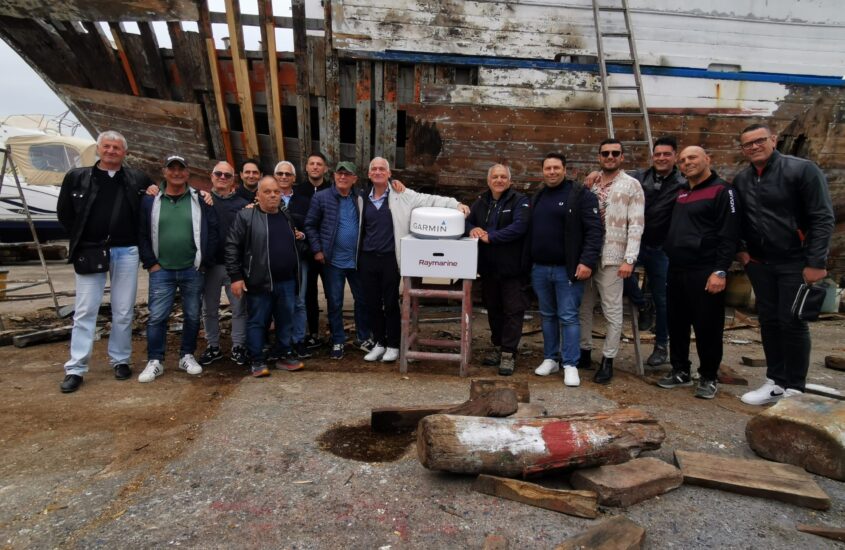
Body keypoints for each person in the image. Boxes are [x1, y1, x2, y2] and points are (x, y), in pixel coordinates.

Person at [732, 124, 835, 405]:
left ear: (773, 140)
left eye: (759, 141)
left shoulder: (802, 170)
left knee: (792, 322)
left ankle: (795, 388)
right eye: (747, 144)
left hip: (795, 260)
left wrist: (816, 261)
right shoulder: (742, 180)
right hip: (760, 262)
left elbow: (822, 217)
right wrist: (742, 252)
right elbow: (737, 220)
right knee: (769, 320)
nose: (754, 147)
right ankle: (775, 381)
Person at [56, 130, 155, 393]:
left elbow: (151, 207)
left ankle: (120, 360)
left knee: (123, 310)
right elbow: (64, 213)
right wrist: (82, 239)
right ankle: (76, 367)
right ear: (98, 149)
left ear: (124, 153)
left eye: (117, 148)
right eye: (107, 147)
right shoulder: (77, 177)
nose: (111, 151)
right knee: (86, 309)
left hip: (126, 250)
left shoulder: (137, 179)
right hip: (91, 250)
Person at [359, 157, 468, 363]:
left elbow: (430, 199)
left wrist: (456, 204)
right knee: (371, 303)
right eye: (374, 169)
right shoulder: (362, 197)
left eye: (382, 168)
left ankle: (393, 345)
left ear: (389, 174)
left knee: (390, 303)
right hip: (367, 258)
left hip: (390, 258)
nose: (378, 171)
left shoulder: (403, 195)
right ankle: (379, 343)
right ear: (369, 174)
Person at [657, 146, 739, 399]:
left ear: (707, 159)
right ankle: (680, 370)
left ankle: (708, 376)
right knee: (677, 323)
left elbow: (730, 235)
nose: (686, 163)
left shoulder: (723, 191)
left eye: (692, 158)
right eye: (682, 160)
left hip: (705, 270)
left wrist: (720, 271)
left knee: (707, 326)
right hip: (677, 268)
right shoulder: (682, 192)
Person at [137, 155, 219, 383]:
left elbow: (212, 230)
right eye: (171, 169)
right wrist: (150, 263)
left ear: (187, 173)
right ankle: (155, 360)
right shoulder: (150, 200)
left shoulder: (200, 199)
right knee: (157, 317)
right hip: (161, 269)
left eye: (180, 169)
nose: (176, 173)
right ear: (164, 172)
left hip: (192, 269)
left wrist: (204, 262)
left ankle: (187, 355)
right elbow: (142, 233)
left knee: (192, 316)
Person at [530, 153, 604, 387]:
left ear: (565, 170)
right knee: (548, 316)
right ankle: (551, 358)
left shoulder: (580, 195)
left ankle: (570, 364)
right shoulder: (539, 196)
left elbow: (594, 232)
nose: (551, 172)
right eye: (547, 168)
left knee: (569, 317)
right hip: (540, 268)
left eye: (556, 168)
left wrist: (587, 262)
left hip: (567, 269)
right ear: (543, 171)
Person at [226, 176, 307, 377]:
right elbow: (232, 246)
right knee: (257, 321)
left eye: (276, 192)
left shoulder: (285, 215)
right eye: (267, 192)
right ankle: (257, 360)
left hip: (287, 280)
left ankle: (283, 354)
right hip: (259, 281)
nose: (273, 195)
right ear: (258, 195)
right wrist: (236, 276)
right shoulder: (246, 217)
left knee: (285, 319)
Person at [579, 139, 644, 384]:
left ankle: (608, 359)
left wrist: (630, 259)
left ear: (622, 157)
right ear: (599, 157)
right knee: (583, 307)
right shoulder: (591, 183)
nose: (610, 156)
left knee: (612, 311)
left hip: (614, 256)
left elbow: (636, 224)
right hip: (587, 255)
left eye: (615, 153)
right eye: (605, 153)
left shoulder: (631, 185)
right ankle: (585, 352)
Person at [624, 136, 686, 366]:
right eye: (658, 154)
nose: (661, 158)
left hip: (663, 248)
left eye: (666, 154)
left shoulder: (683, 182)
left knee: (663, 299)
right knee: (620, 275)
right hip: (636, 243)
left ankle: (661, 346)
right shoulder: (639, 177)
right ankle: (642, 304)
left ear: (675, 156)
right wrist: (594, 175)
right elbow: (614, 177)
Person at [304, 162, 373, 360]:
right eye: (339, 174)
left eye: (347, 174)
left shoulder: (360, 198)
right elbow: (310, 225)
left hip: (357, 261)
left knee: (362, 300)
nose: (343, 177)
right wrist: (317, 249)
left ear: (354, 179)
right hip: (332, 261)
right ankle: (337, 340)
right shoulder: (321, 198)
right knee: (335, 302)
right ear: (334, 176)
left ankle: (363, 337)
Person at [466, 164, 530, 375]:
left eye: (504, 177)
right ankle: (497, 346)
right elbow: (467, 222)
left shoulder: (520, 201)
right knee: (493, 309)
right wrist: (472, 228)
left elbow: (519, 227)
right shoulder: (481, 201)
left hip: (512, 268)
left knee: (513, 311)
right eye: (495, 177)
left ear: (510, 181)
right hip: (488, 268)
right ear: (488, 180)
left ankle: (508, 354)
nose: (499, 180)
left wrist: (491, 237)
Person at [197, 161, 249, 367]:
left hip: (234, 266)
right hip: (210, 265)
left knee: (239, 308)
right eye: (218, 174)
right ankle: (213, 346)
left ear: (233, 180)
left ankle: (238, 346)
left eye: (227, 175)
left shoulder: (242, 204)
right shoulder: (200, 200)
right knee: (209, 309)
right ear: (211, 176)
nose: (222, 178)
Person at [274, 160, 313, 359]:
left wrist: (303, 235)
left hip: (299, 258)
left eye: (287, 174)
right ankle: (282, 342)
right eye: (280, 174)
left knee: (299, 301)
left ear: (294, 178)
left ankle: (298, 340)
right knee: (279, 301)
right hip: (275, 259)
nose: (283, 177)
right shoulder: (267, 197)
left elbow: (312, 224)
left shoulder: (304, 200)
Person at [295, 152, 332, 348]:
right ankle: (313, 333)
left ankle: (334, 334)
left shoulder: (332, 190)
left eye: (319, 164)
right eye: (312, 164)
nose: (315, 167)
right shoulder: (298, 191)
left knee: (331, 293)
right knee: (308, 294)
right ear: (307, 168)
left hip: (327, 252)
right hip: (306, 251)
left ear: (325, 169)